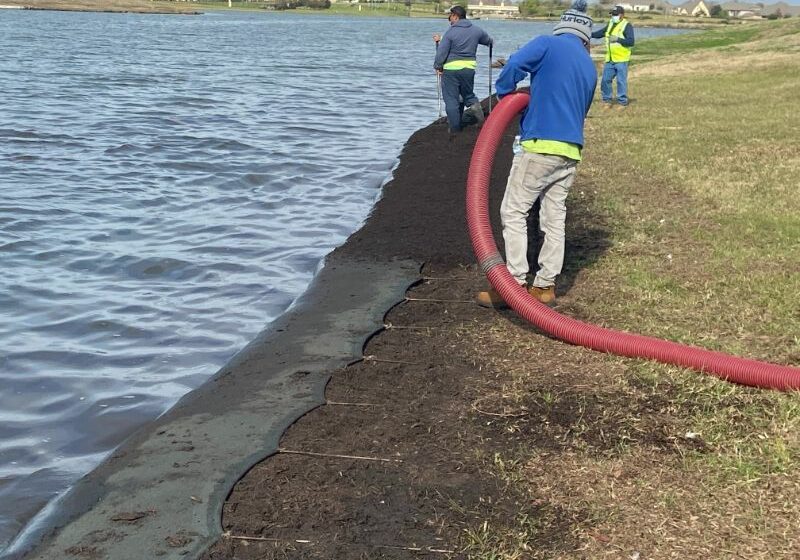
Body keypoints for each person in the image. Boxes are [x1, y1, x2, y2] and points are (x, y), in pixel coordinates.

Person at [476, 0, 597, 308]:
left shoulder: (547, 44)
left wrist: (506, 97)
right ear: (585, 38)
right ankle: (545, 286)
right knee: (554, 217)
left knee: (513, 211)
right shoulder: (587, 65)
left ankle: (512, 285)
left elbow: (515, 64)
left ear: (561, 29)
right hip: (571, 151)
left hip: (540, 146)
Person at [433, 5, 493, 134]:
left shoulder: (450, 32)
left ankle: (455, 129)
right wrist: (489, 42)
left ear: (455, 16)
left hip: (451, 69)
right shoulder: (476, 30)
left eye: (450, 16)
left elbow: (442, 53)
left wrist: (438, 66)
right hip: (468, 69)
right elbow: (489, 41)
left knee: (451, 100)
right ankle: (480, 119)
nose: (449, 19)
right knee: (468, 95)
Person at [592, 4, 635, 108]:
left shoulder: (627, 25)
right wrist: (588, 34)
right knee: (605, 80)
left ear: (622, 15)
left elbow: (631, 41)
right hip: (610, 59)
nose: (613, 16)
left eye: (615, 14)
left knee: (621, 81)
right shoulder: (610, 23)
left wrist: (618, 39)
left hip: (621, 59)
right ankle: (607, 101)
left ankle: (622, 102)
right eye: (612, 14)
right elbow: (601, 33)